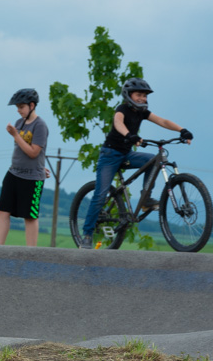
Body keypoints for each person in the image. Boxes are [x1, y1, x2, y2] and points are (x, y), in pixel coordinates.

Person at [79, 78, 192, 249]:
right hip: (109, 155)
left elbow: (162, 121)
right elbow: (118, 123)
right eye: (139, 95)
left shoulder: (142, 112)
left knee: (152, 160)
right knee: (100, 194)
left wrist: (181, 130)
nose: (143, 98)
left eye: (145, 96)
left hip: (126, 154)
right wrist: (129, 135)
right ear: (128, 95)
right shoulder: (121, 109)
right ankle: (87, 234)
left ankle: (145, 199)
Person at [0, 89, 49, 247]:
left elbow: (33, 152)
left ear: (32, 106)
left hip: (32, 178)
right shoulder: (19, 123)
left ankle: (30, 253)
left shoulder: (40, 126)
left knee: (30, 216)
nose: (18, 110)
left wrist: (16, 135)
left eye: (21, 107)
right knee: (3, 211)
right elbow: (21, 150)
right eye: (17, 107)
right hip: (14, 173)